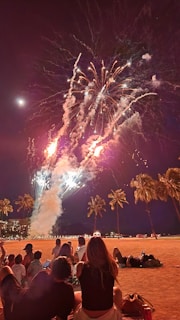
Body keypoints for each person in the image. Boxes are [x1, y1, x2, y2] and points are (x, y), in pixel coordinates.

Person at [74, 236, 122, 320]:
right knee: (117, 291)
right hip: (108, 315)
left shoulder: (81, 267)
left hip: (86, 315)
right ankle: (118, 316)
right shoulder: (112, 266)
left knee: (76, 295)